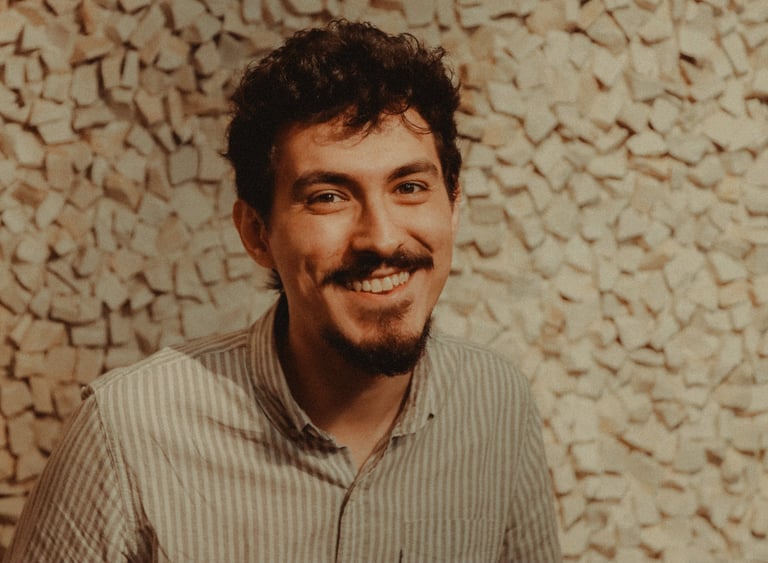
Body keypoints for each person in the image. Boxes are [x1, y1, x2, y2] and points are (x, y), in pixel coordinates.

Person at [5, 20, 561, 562]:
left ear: (454, 205)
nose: (382, 237)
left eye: (410, 187)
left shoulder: (498, 405)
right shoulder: (126, 431)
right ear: (257, 233)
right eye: (328, 197)